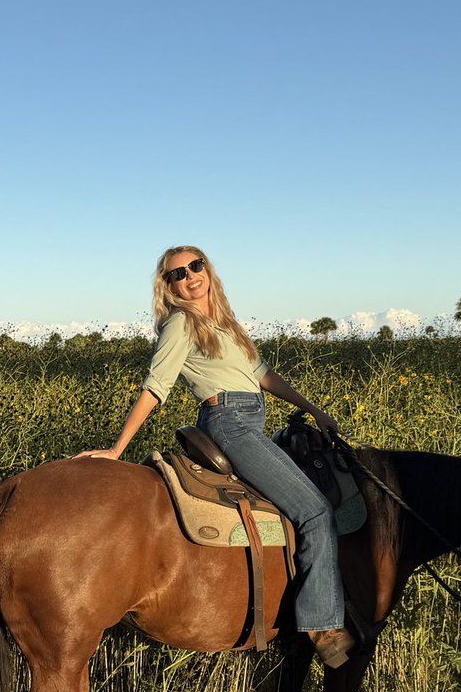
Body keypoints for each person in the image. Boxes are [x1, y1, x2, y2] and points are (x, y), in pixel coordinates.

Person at [75, 245, 354, 668]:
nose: (189, 276)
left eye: (195, 266)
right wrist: (117, 449)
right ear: (168, 286)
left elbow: (263, 376)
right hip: (227, 422)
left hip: (250, 422)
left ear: (207, 269)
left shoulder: (226, 323)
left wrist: (314, 409)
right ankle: (322, 627)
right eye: (177, 274)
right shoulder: (181, 324)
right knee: (314, 512)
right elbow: (156, 386)